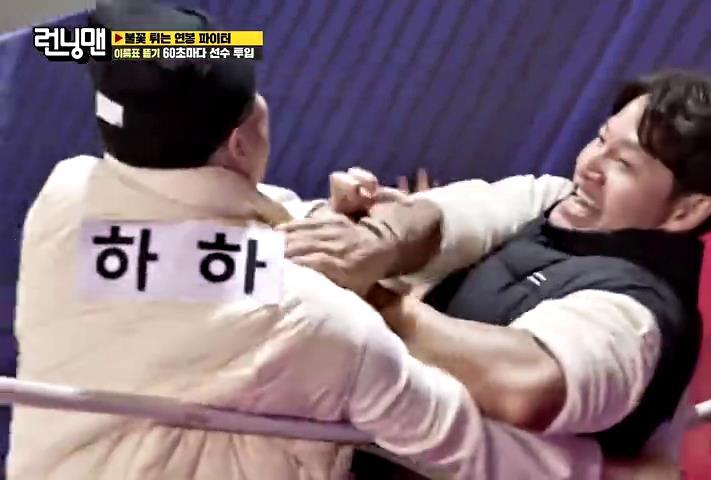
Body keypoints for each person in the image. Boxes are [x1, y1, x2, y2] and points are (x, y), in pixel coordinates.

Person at [6, 2, 623, 479]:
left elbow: (205, 247)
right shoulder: (307, 316)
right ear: (244, 139)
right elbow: (454, 438)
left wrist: (341, 226)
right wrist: (605, 472)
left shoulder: (64, 199)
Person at [283, 70, 711, 468]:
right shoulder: (552, 198)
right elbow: (446, 216)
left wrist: (374, 301)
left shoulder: (641, 312)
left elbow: (525, 384)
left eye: (624, 165)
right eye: (601, 140)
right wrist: (375, 241)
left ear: (687, 211)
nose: (590, 167)